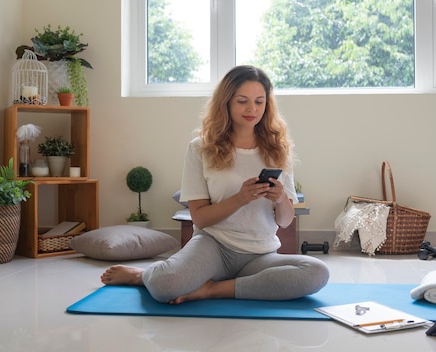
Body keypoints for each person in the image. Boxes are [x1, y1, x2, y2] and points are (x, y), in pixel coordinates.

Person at [101, 65, 330, 304]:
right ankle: (143, 275)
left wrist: (281, 198)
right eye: (242, 101)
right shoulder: (200, 148)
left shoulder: (278, 150)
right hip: (213, 247)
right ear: (226, 102)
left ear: (267, 105)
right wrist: (240, 198)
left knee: (317, 273)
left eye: (259, 102)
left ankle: (211, 289)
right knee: (164, 286)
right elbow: (199, 219)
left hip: (260, 253)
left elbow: (284, 221)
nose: (252, 109)